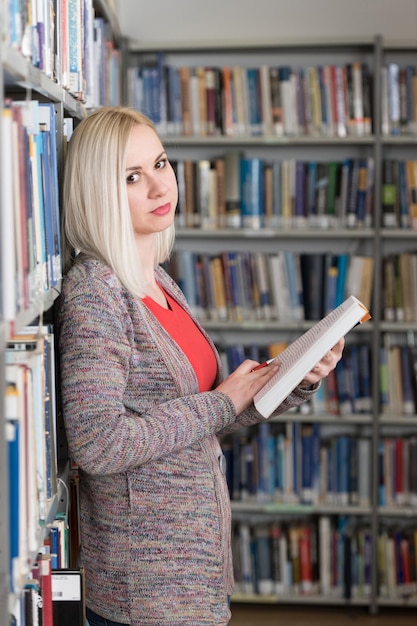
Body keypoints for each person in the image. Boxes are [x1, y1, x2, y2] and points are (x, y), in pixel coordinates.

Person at [57, 105, 344, 626]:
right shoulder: (96, 290)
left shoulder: (160, 282)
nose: (158, 186)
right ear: (99, 192)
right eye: (131, 176)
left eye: (161, 164)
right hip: (144, 584)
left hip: (194, 572)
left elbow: (206, 421)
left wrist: (297, 380)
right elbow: (98, 442)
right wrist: (222, 401)